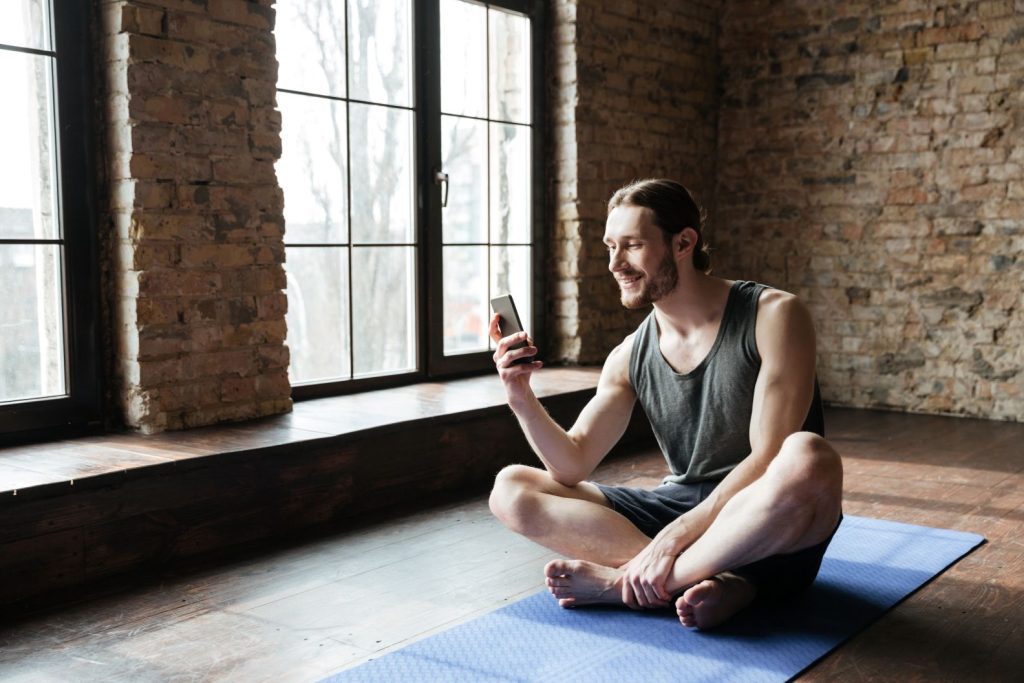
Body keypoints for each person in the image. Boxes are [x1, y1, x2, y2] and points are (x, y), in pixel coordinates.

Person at [487, 178, 843, 629]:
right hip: (678, 507)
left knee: (807, 456)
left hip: (765, 518)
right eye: (610, 247)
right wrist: (519, 394)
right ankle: (705, 582)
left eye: (632, 246)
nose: (616, 263)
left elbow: (768, 458)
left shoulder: (774, 315)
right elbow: (572, 464)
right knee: (512, 487)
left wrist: (674, 537)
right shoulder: (629, 354)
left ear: (683, 243)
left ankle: (631, 582)